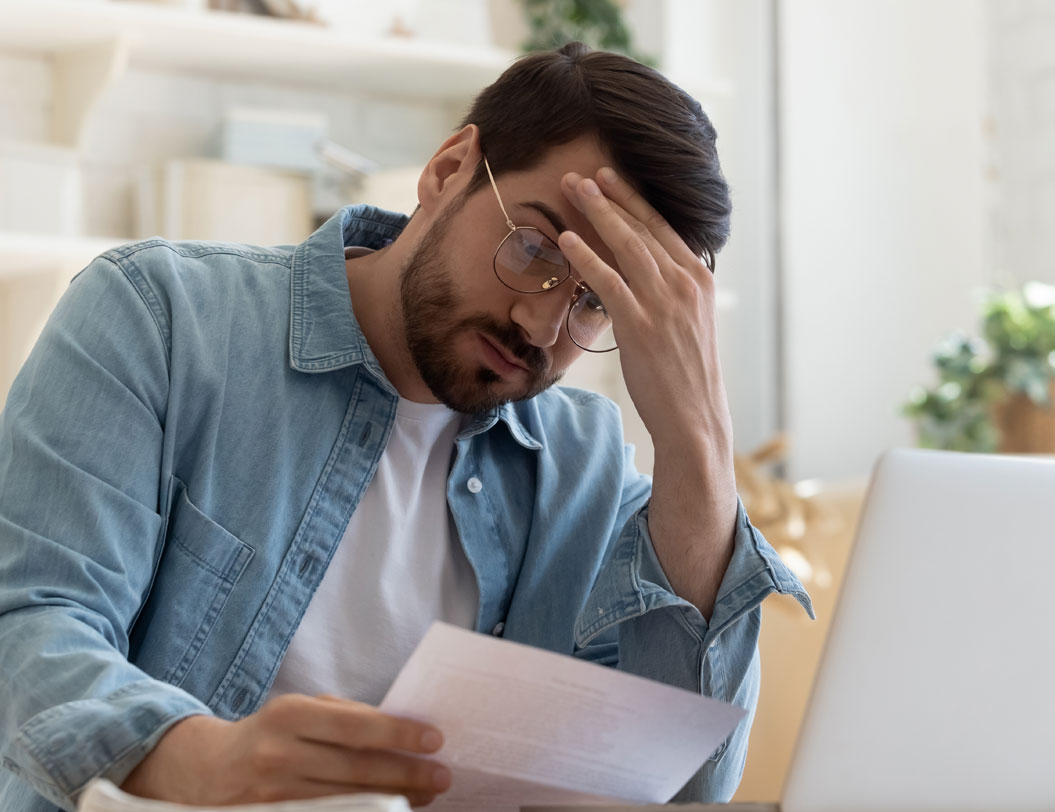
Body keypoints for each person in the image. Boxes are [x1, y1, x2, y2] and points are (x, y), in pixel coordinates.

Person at [0, 42, 811, 811]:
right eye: (534, 247)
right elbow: (31, 625)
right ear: (448, 170)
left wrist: (697, 443)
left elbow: (685, 787)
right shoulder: (162, 320)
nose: (539, 320)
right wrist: (209, 763)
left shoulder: (582, 463)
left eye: (594, 298)